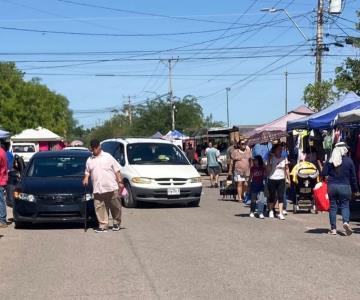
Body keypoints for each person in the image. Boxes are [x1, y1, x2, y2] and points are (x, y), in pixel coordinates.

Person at [83, 139, 124, 233]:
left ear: (99, 147)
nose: (93, 151)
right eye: (91, 149)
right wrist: (86, 178)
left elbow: (117, 170)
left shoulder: (108, 157)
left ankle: (116, 223)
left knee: (116, 207)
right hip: (98, 188)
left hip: (111, 187)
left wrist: (120, 181)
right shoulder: (89, 160)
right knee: (99, 207)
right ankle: (103, 225)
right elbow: (87, 171)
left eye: (94, 149)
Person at [321, 142, 359, 236]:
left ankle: (333, 229)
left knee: (333, 207)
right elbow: (353, 177)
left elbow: (323, 173)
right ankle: (346, 222)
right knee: (345, 205)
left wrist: (328, 176)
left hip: (332, 187)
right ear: (344, 150)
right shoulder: (349, 161)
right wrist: (356, 190)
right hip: (345, 187)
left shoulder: (331, 160)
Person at [267, 144, 290, 220]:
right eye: (279, 149)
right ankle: (270, 210)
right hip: (272, 178)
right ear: (275, 150)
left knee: (281, 196)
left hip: (281, 179)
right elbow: (268, 170)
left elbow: (286, 169)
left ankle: (280, 212)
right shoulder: (271, 158)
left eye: (281, 149)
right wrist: (269, 161)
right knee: (272, 196)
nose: (280, 150)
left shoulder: (284, 158)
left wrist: (288, 178)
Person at [0, 143, 8, 228]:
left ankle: (2, 220)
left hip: (0, 180)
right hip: (2, 179)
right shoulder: (2, 151)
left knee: (1, 201)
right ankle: (2, 220)